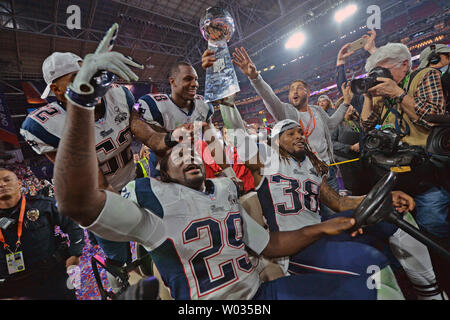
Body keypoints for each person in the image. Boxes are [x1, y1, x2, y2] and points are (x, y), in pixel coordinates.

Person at [53, 24, 384, 300]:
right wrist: (82, 102)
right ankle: (121, 274)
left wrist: (325, 226)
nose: (190, 152)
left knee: (361, 286)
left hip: (258, 294)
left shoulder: (224, 189)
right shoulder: (150, 200)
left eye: (193, 150)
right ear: (163, 171)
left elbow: (270, 244)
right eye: (179, 154)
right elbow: (78, 202)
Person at [218, 100, 446, 300]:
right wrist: (227, 104)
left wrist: (380, 197)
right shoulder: (264, 162)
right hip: (294, 245)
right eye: (290, 134)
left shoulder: (309, 167)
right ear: (276, 141)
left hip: (321, 231)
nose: (299, 136)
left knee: (394, 211)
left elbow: (338, 202)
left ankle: (430, 291)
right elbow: (238, 135)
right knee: (371, 264)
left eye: (300, 132)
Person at [18, 50, 182, 292]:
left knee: (160, 241)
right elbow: (96, 182)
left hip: (132, 180)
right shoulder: (47, 125)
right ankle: (120, 290)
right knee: (120, 262)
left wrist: (173, 139)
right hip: (99, 200)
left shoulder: (117, 94)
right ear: (57, 90)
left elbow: (147, 135)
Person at [203, 47, 349, 218]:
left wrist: (345, 103)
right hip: (307, 174)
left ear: (307, 92)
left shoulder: (317, 111)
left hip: (328, 170)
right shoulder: (286, 112)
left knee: (338, 215)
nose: (294, 91)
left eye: (298, 88)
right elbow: (269, 97)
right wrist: (255, 77)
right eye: (291, 89)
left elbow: (332, 123)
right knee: (318, 218)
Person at [359, 42, 449, 242]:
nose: (380, 77)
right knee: (403, 231)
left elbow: (432, 118)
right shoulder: (385, 92)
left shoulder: (425, 75)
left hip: (426, 171)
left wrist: (399, 94)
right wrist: (368, 96)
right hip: (394, 171)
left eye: (383, 71)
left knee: (433, 226)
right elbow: (366, 126)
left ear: (404, 65)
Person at [0, 168, 84, 299]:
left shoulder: (42, 205)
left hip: (53, 276)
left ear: (19, 183)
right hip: (15, 286)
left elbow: (72, 223)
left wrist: (75, 253)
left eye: (7, 180)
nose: (2, 184)